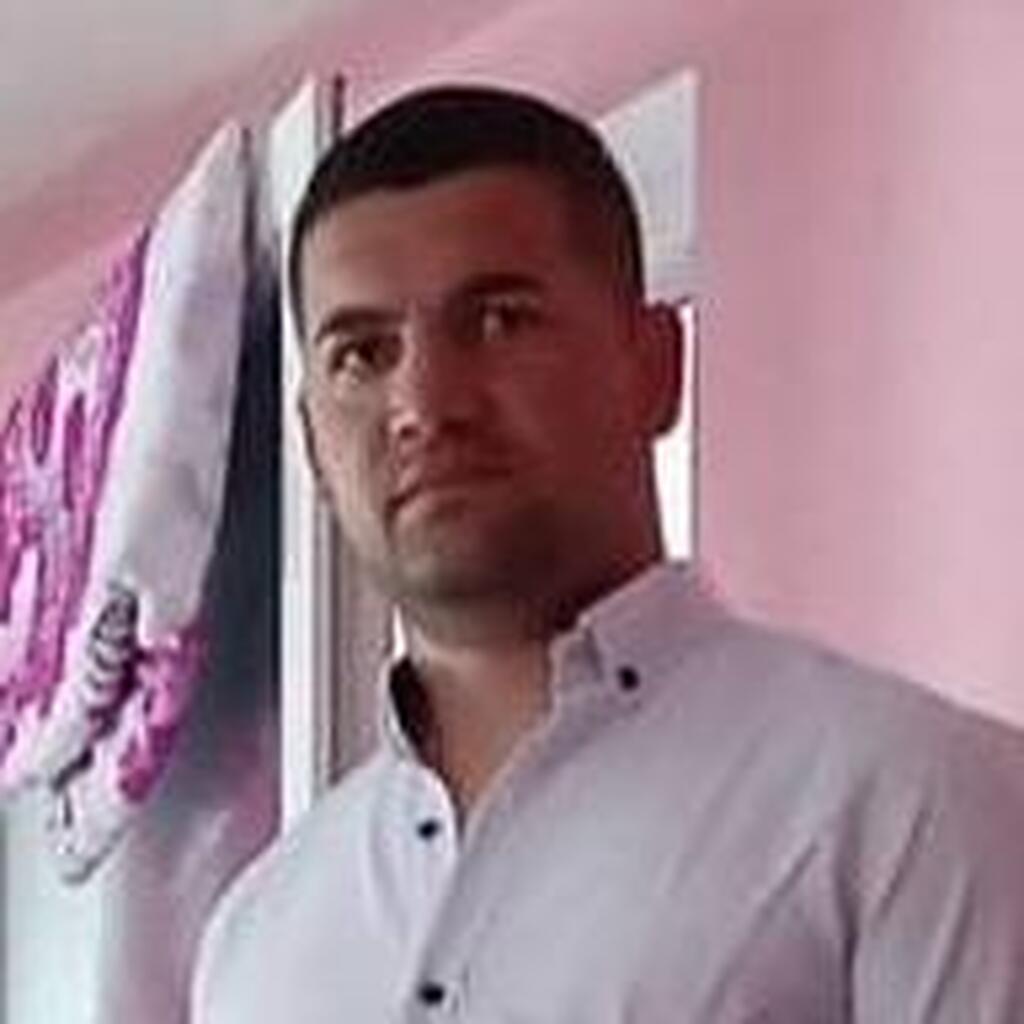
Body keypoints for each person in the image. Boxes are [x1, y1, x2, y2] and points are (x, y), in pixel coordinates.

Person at [192, 85, 1024, 1022]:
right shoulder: (259, 938)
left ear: (655, 365)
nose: (425, 404)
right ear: (312, 444)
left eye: (499, 320)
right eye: (362, 354)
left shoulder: (914, 803)